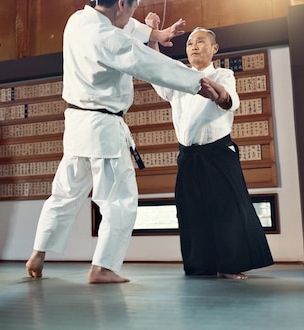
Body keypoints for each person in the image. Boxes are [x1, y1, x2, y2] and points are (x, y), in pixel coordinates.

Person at [25, 0, 213, 284]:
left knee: (65, 194)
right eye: (133, 6)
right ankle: (103, 267)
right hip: (103, 129)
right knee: (118, 200)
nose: (133, 14)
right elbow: (149, 63)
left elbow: (124, 25)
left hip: (76, 126)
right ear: (122, 3)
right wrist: (198, 82)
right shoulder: (109, 39)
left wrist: (156, 35)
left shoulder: (77, 21)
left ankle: (38, 253)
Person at [145, 20, 274, 279]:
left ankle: (230, 265)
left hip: (218, 153)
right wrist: (152, 37)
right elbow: (155, 68)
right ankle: (201, 266)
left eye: (200, 41)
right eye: (190, 43)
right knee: (191, 211)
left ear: (214, 48)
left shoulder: (223, 75)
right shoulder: (178, 78)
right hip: (189, 155)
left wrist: (218, 96)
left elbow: (228, 99)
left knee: (228, 210)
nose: (193, 46)